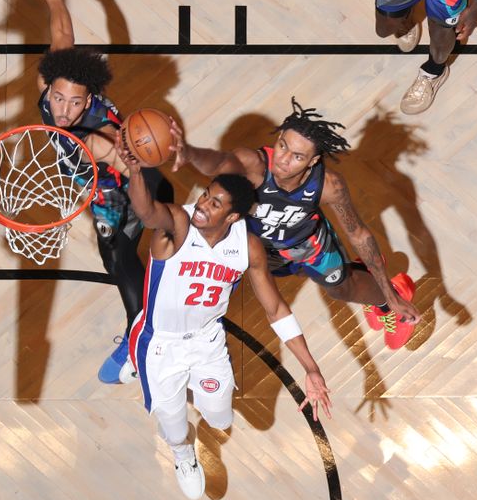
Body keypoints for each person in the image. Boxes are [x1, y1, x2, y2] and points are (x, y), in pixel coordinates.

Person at [116, 133, 332, 500]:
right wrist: (135, 172)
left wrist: (311, 368)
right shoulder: (179, 224)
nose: (202, 204)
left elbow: (276, 308)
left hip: (206, 341)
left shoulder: (246, 246)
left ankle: (182, 400)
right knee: (172, 428)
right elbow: (146, 211)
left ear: (232, 216)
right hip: (161, 343)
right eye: (205, 194)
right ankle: (183, 454)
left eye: (215, 203)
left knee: (220, 419)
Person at [173, 99, 421, 349]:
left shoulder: (328, 185)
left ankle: (387, 301)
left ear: (313, 161)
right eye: (282, 146)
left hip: (307, 243)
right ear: (279, 137)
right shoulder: (253, 165)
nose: (283, 160)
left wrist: (389, 295)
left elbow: (358, 235)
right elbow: (218, 163)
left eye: (297, 157)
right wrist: (190, 153)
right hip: (260, 246)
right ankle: (362, 276)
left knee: (340, 289)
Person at [29, 0, 172, 382]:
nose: (63, 111)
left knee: (116, 255)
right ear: (49, 88)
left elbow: (126, 164)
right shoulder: (57, 84)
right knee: (122, 257)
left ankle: (139, 341)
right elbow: (63, 38)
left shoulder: (99, 133)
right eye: (57, 99)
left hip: (123, 185)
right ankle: (147, 326)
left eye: (74, 104)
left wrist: (139, 189)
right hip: (115, 179)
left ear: (88, 98)